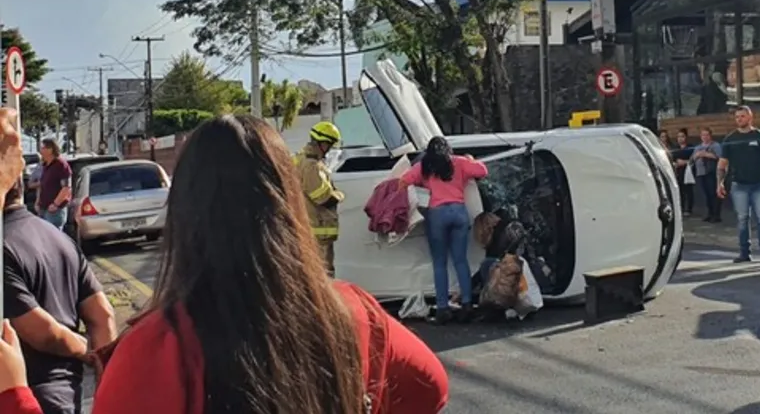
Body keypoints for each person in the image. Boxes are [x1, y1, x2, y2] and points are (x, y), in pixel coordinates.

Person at [0, 114, 449, 414]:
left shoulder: (160, 347)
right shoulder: (357, 311)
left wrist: (16, 393)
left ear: (185, 211)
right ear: (285, 201)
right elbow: (431, 390)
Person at [3, 179, 118, 414]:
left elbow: (42, 333)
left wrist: (86, 350)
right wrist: (107, 388)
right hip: (70, 394)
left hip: (28, 398)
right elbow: (102, 315)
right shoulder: (59, 237)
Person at [400, 136, 487, 325]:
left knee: (439, 263)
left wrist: (421, 188)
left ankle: (442, 309)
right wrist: (470, 159)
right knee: (461, 261)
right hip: (459, 212)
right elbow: (482, 170)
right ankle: (466, 305)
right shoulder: (459, 162)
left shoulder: (425, 166)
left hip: (437, 214)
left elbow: (404, 181)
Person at [717, 106, 760, 263]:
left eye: (742, 116)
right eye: (737, 117)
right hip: (739, 184)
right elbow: (722, 164)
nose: (739, 119)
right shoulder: (730, 139)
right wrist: (720, 183)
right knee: (743, 219)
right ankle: (744, 253)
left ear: (750, 117)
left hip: (759, 184)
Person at [293, 121, 346, 275]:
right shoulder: (311, 166)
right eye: (329, 145)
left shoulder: (301, 159)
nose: (329, 150)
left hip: (307, 227)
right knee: (323, 275)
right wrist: (339, 195)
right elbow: (322, 198)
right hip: (317, 230)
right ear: (321, 143)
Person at [35, 139, 72, 230]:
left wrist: (55, 204)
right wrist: (37, 202)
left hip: (54, 211)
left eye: (43, 148)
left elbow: (66, 188)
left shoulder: (61, 165)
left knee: (54, 238)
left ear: (50, 149)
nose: (40, 151)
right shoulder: (45, 166)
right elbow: (42, 185)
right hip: (43, 208)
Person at [691, 128, 722, 223]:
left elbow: (720, 157)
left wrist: (705, 154)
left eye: (707, 135)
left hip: (711, 172)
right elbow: (692, 159)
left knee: (713, 194)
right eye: (703, 135)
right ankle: (709, 213)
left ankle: (716, 215)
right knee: (706, 194)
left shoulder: (715, 145)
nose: (705, 137)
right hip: (701, 173)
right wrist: (696, 156)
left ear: (710, 135)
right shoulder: (697, 147)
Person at [670, 129, 696, 216]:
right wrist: (675, 164)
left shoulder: (691, 147)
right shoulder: (675, 148)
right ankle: (680, 208)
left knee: (688, 190)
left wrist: (685, 162)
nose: (680, 139)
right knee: (679, 191)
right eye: (678, 137)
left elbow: (693, 159)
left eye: (682, 136)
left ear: (686, 137)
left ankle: (689, 209)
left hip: (688, 172)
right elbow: (672, 159)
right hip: (678, 172)